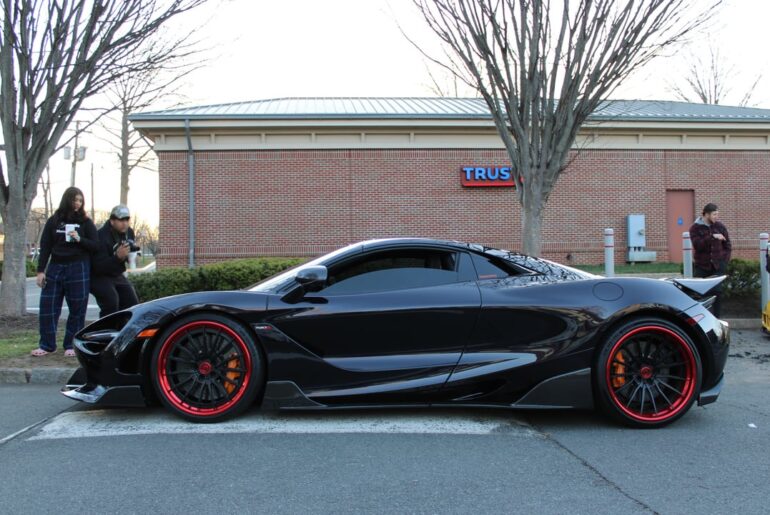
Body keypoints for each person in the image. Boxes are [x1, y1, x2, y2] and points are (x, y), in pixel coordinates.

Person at [33, 187, 98, 357]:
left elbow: (95, 245)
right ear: (67, 200)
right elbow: (45, 246)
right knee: (48, 307)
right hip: (55, 266)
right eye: (74, 200)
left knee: (77, 308)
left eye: (80, 200)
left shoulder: (86, 222)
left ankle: (70, 345)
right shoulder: (54, 221)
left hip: (79, 267)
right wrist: (41, 271)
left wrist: (79, 238)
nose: (77, 203)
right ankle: (47, 345)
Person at [90, 204, 140, 318]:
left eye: (127, 219)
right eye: (121, 220)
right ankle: (105, 332)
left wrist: (131, 256)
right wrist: (117, 257)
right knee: (111, 302)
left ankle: (123, 331)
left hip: (116, 273)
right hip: (98, 276)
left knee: (132, 302)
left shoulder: (129, 232)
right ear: (112, 221)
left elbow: (129, 251)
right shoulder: (101, 236)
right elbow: (98, 266)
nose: (125, 223)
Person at [689, 203, 731, 317]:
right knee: (699, 293)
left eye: (717, 214)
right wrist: (712, 237)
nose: (716, 217)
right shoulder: (695, 228)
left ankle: (716, 320)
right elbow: (698, 245)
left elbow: (727, 246)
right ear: (706, 214)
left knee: (717, 292)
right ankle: (701, 320)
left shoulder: (720, 227)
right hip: (702, 266)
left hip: (718, 266)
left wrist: (724, 262)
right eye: (714, 214)